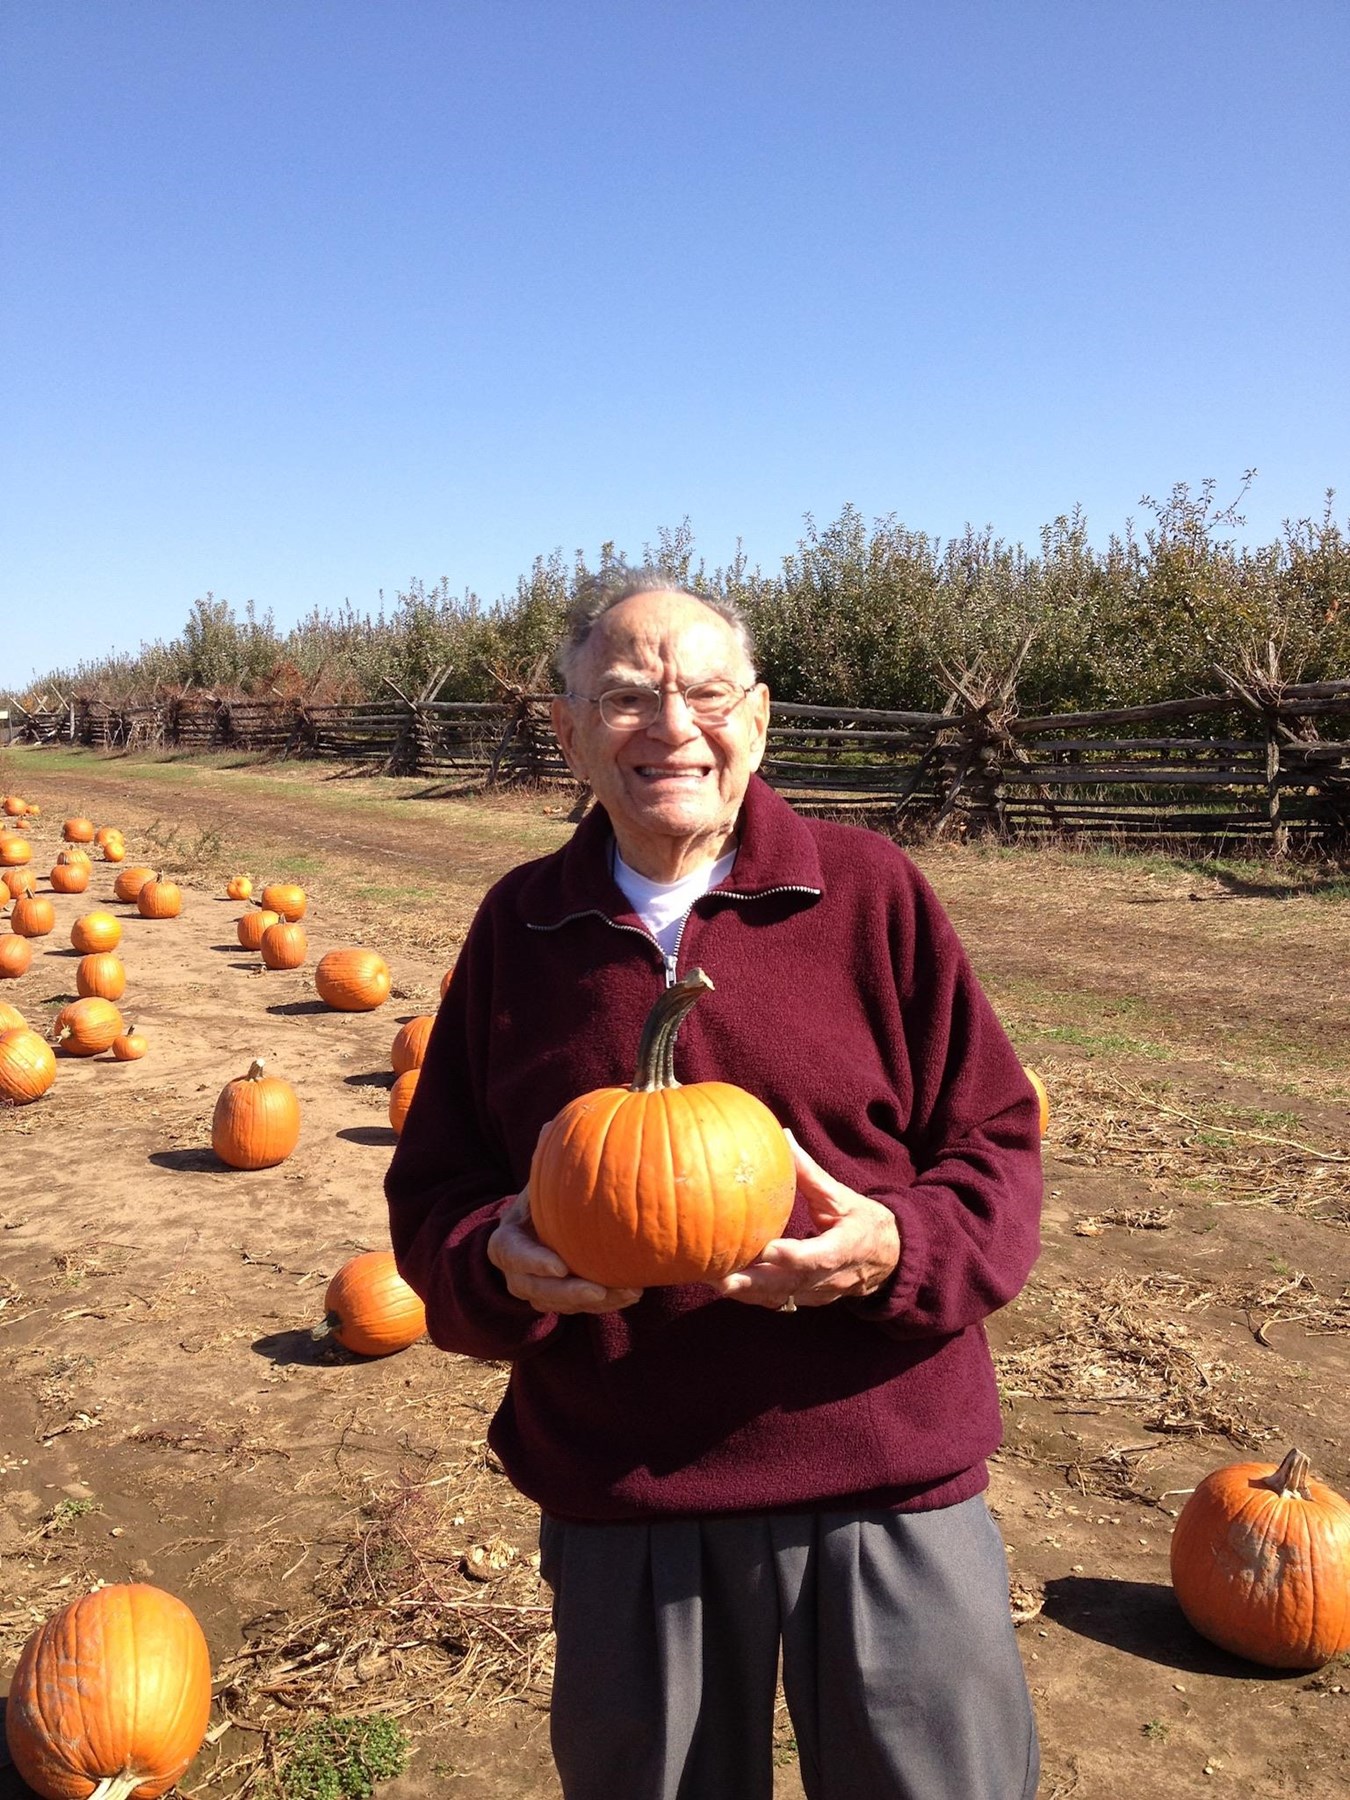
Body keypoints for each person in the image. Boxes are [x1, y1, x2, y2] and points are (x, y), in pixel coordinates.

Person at [385, 572, 1043, 1800]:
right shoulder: (521, 928)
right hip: (629, 1494)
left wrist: (896, 1247)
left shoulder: (869, 895)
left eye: (704, 692)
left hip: (887, 1476)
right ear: (569, 728)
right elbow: (434, 1192)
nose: (671, 727)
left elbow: (998, 1145)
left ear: (761, 717)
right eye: (627, 697)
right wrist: (492, 1258)